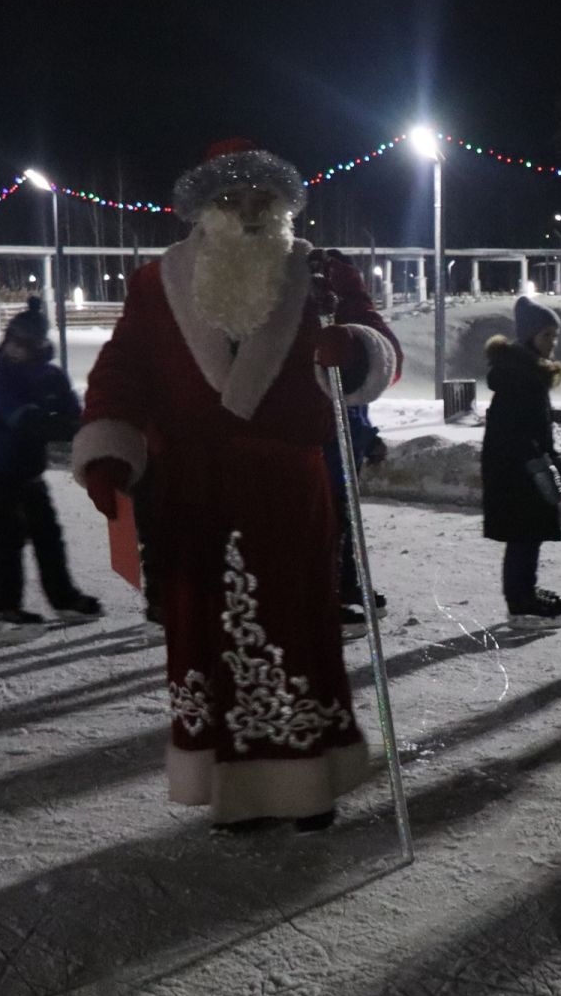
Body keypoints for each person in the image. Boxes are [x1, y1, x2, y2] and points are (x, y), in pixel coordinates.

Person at [72, 139, 396, 831]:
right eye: (231, 199)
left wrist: (358, 351)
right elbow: (122, 370)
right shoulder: (157, 283)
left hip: (288, 487)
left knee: (298, 629)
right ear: (203, 209)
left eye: (262, 200)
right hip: (195, 494)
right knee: (210, 638)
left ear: (284, 207)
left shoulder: (322, 272)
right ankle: (234, 791)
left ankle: (307, 782)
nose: (249, 212)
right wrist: (109, 450)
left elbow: (376, 342)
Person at [0, 296, 103, 632]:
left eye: (22, 344)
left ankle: (64, 598)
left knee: (48, 533)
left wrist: (80, 426)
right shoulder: (2, 377)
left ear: (39, 343)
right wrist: (57, 424)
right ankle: (4, 606)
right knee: (10, 534)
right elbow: (23, 420)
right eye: (11, 342)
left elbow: (73, 415)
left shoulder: (52, 377)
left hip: (27, 470)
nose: (14, 350)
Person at [481, 294, 561, 628]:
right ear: (529, 336)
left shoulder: (529, 373)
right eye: (546, 336)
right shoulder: (519, 376)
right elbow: (514, 432)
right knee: (524, 533)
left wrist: (560, 466)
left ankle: (524, 590)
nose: (552, 342)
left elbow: (539, 434)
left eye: (554, 336)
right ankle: (520, 600)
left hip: (526, 467)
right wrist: (540, 466)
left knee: (528, 534)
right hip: (516, 472)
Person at [313, 248, 402, 641]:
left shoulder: (347, 319)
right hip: (318, 440)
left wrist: (371, 437)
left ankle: (346, 583)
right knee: (325, 521)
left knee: (343, 519)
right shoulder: (309, 316)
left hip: (346, 437)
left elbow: (379, 368)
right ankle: (323, 593)